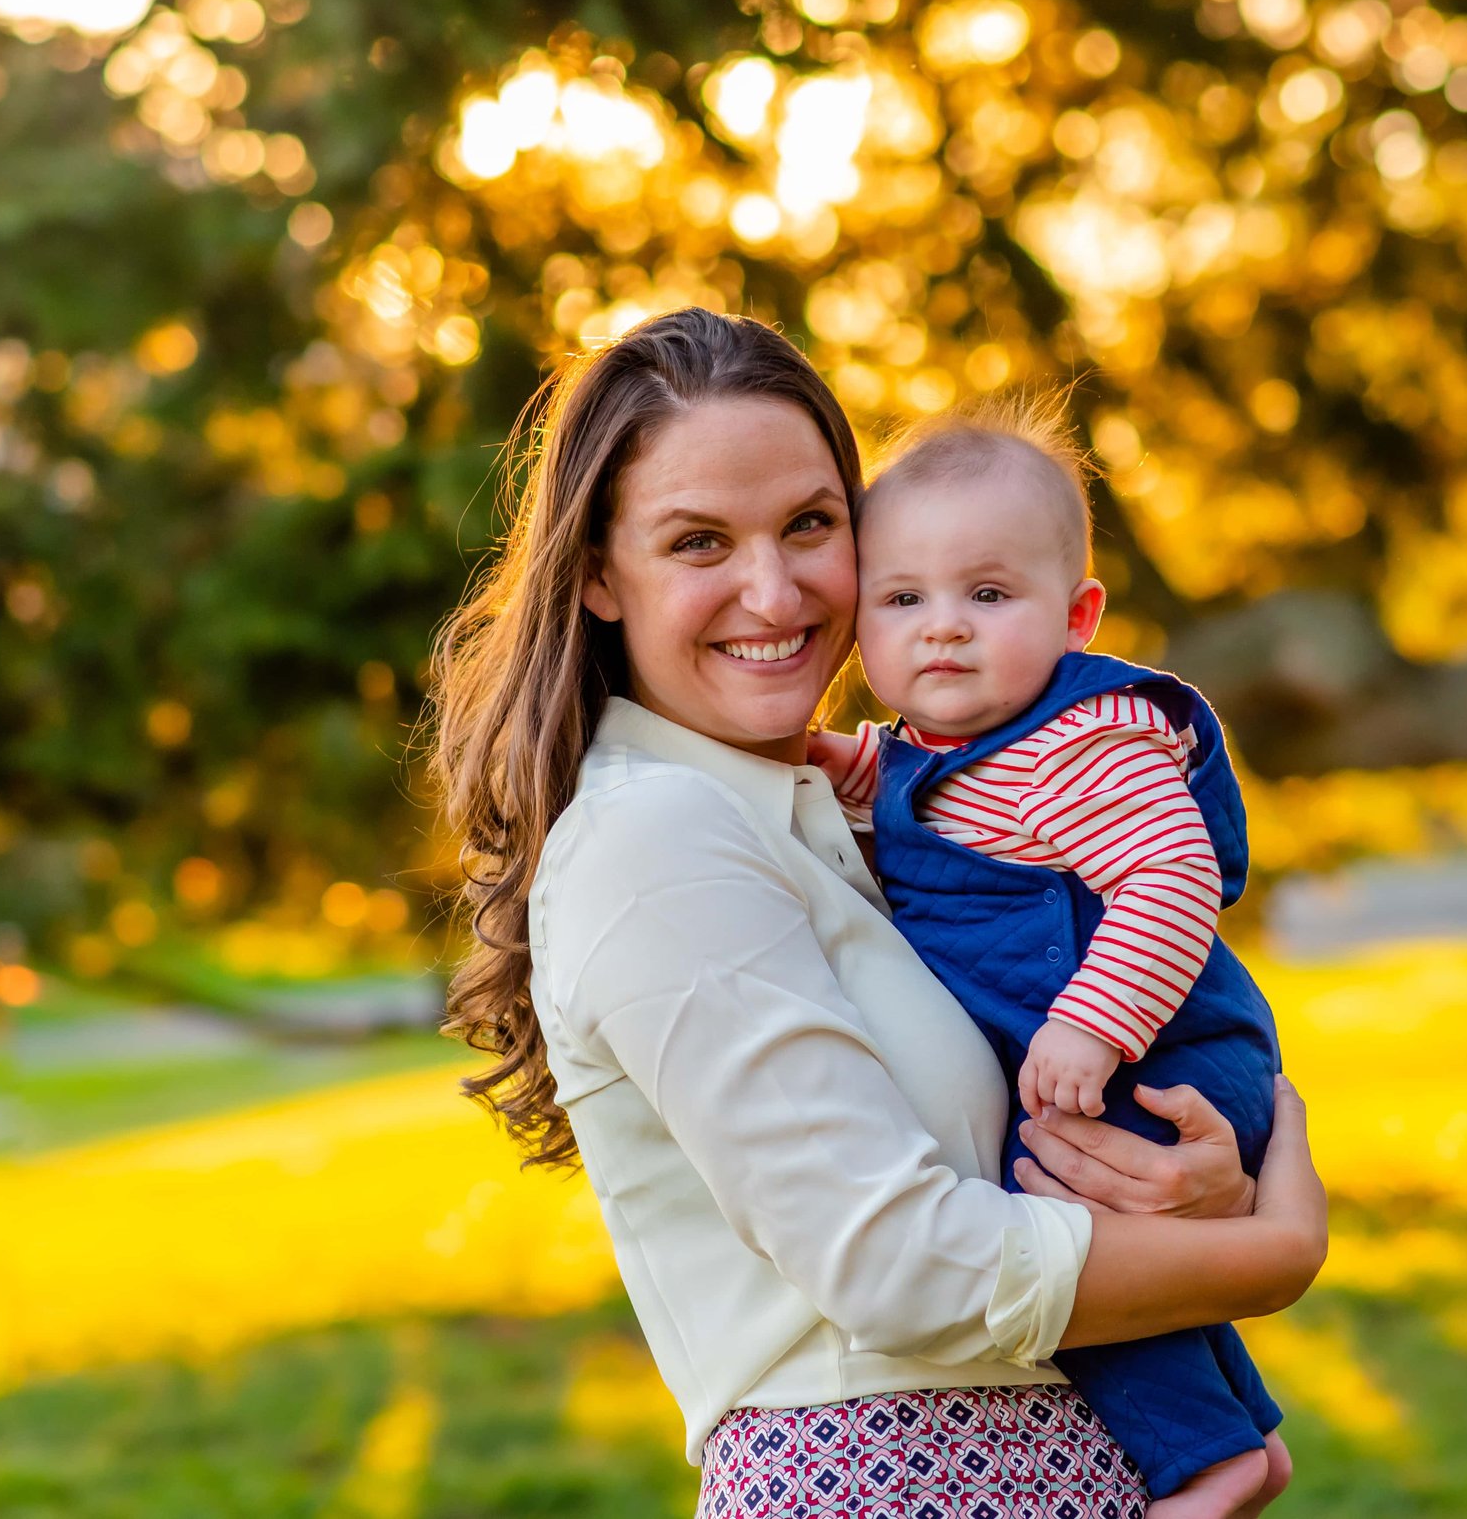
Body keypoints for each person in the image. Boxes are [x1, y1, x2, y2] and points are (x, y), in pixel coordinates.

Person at [427, 307, 1327, 1519]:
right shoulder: (657, 839)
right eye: (699, 541)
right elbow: (896, 1264)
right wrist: (1267, 1252)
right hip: (882, 1479)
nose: (773, 587)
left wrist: (1178, 1186)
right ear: (596, 574)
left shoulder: (840, 813)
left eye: (810, 524)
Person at [811, 401, 1287, 1519]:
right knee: (1117, 1245)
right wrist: (822, 756)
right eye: (902, 598)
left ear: (1075, 615)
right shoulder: (942, 752)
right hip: (1115, 1060)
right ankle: (1247, 1437)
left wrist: (1090, 1023)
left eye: (987, 594)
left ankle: (1206, 1466)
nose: (943, 628)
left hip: (1162, 1056)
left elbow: (1172, 881)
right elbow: (897, 783)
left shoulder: (1083, 742)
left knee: (1068, 1245)